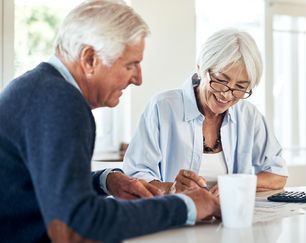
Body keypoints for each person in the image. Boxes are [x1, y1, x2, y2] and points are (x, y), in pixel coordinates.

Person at [0, 1, 219, 242]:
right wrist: (185, 206)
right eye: (130, 65)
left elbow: (46, 186)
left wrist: (105, 180)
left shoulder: (39, 88)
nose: (138, 79)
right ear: (90, 59)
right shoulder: (60, 102)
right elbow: (77, 225)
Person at [123, 28, 288, 194]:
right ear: (201, 68)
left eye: (240, 87)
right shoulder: (162, 108)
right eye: (221, 80)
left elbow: (278, 174)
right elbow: (135, 176)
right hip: (176, 214)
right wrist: (172, 188)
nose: (226, 94)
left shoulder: (248, 115)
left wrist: (236, 185)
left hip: (232, 215)